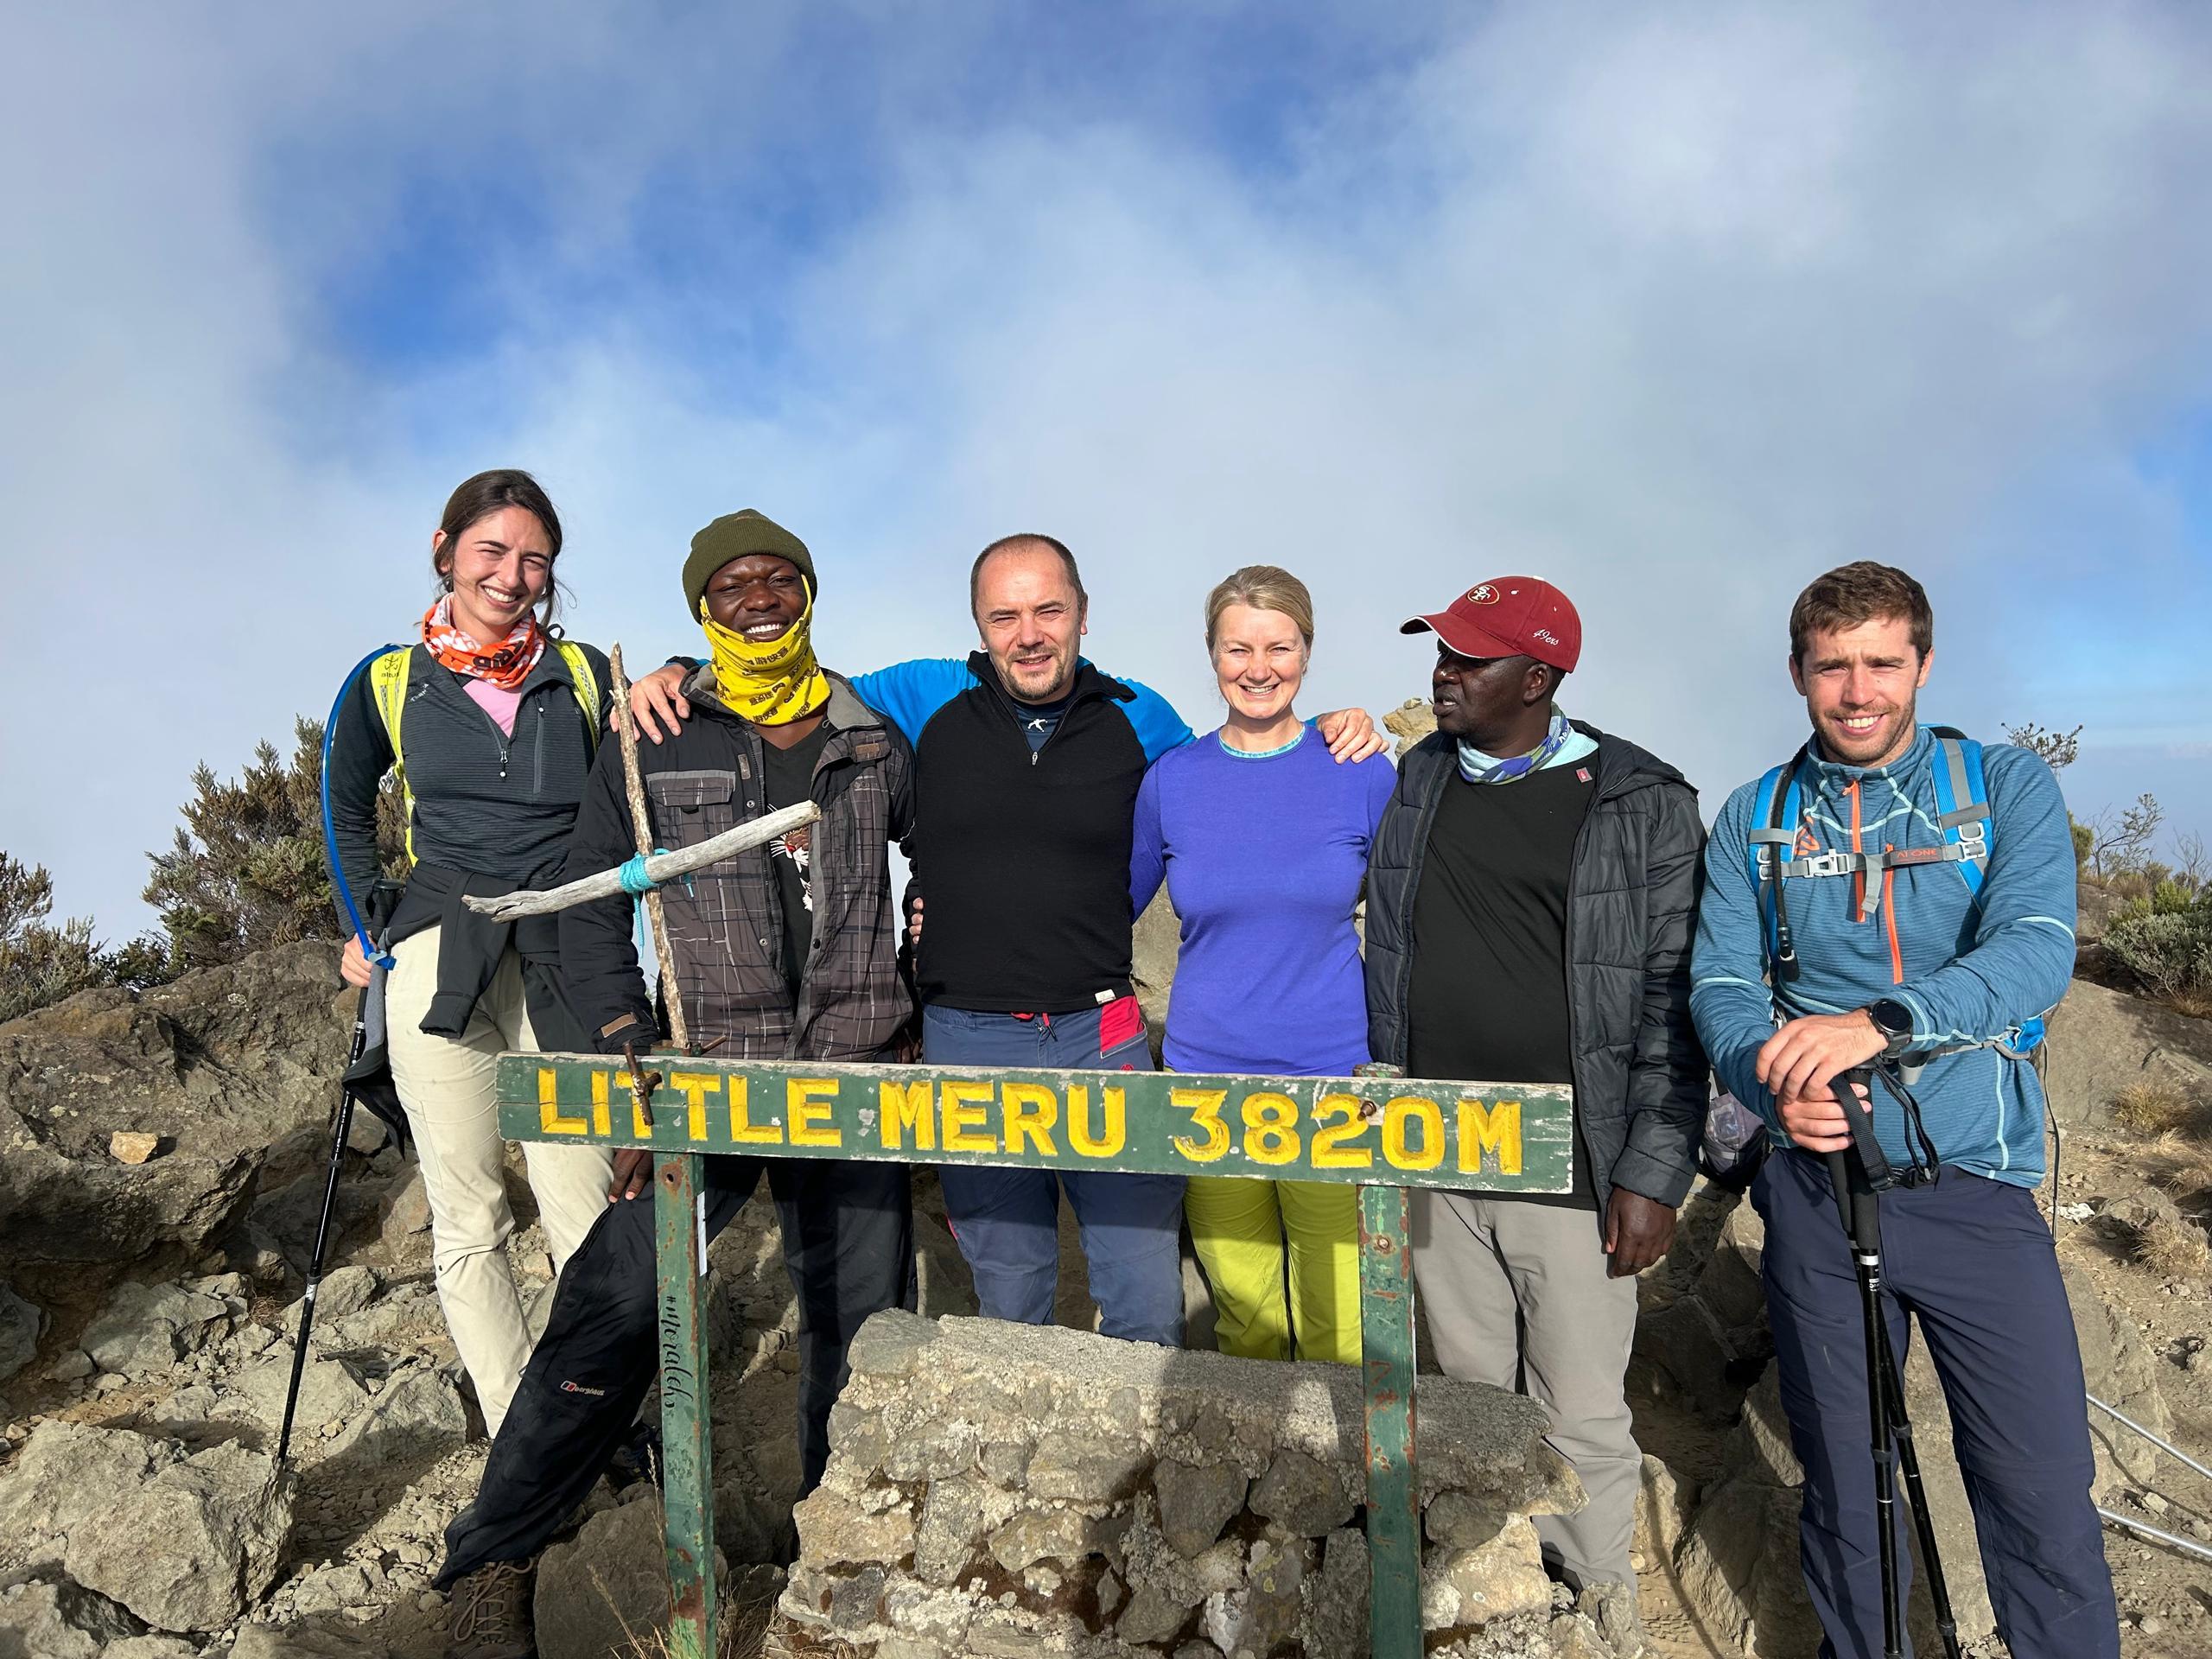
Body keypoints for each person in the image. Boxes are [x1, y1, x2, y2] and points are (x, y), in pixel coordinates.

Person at [630, 534, 1384, 1344]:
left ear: (1084, 616)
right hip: (968, 1037)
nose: (1029, 634)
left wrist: (1342, 724)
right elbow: (793, 692)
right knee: (1009, 1298)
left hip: (1106, 1034)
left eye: (1049, 610)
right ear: (980, 626)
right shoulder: (923, 696)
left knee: (1143, 1292)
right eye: (1005, 615)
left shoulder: (1144, 721)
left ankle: (1142, 1467)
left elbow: (1240, 763)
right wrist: (682, 673)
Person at [435, 510, 918, 1659]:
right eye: (733, 584)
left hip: (851, 1080)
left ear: (810, 589)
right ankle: (489, 1564)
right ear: (703, 605)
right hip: (703, 1080)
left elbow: (946, 859)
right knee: (609, 1311)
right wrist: (626, 1048)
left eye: (779, 579)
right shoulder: (654, 733)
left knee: (859, 1336)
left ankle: (831, 1567)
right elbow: (588, 900)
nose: (759, 598)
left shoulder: (872, 735)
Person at [1690, 562, 2118, 1659]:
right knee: (1845, 1484)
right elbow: (1724, 990)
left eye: (1882, 661)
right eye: (1831, 666)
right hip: (1817, 1189)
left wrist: (1881, 1022)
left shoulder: (2002, 786)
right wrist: (1772, 1079)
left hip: (1977, 1180)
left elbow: (2035, 948)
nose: (1857, 689)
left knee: (2038, 1489)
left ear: (1922, 664)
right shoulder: (1757, 816)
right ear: (1796, 674)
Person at [1363, 576, 1705, 1624]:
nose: (1444, 672)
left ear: (1541, 677)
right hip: (1440, 1151)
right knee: (1471, 1408)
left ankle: (1602, 1612)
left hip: (1574, 1168)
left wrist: (1652, 1172)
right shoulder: (1419, 775)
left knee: (1578, 1417)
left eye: (1471, 659)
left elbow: (1670, 1001)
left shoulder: (1640, 800)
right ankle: (1505, 1609)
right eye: (1443, 653)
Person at [325, 468, 613, 1439]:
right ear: (445, 550)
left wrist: (667, 678)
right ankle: (520, 1434)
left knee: (583, 1210)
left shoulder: (585, 678)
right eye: (492, 551)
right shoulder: (387, 680)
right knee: (469, 1219)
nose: (512, 574)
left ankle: (592, 1419)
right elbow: (343, 804)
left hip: (561, 958)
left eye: (535, 559)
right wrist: (367, 931)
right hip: (434, 962)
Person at [1128, 566, 1394, 1363]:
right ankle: (1265, 1490)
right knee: (1245, 1324)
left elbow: (1418, 915)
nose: (1258, 667)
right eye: (1237, 648)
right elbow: (1108, 906)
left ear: (1307, 654)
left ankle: (1351, 1487)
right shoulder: (1172, 780)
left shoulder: (1360, 769)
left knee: (1340, 1324)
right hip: (1208, 1085)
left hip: (1334, 1082)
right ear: (1211, 655)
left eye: (1278, 646)